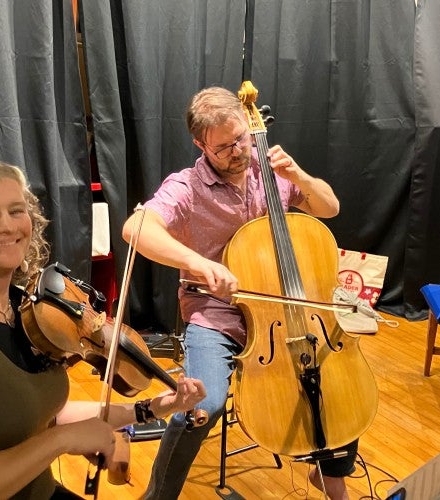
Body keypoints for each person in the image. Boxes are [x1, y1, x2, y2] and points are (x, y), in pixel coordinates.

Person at [0, 159, 206, 499]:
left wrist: (150, 408)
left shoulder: (21, 307)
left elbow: (38, 411)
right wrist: (60, 442)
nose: (7, 226)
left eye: (17, 211)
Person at [122, 86, 358, 499]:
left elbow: (330, 207)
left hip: (288, 309)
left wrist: (298, 176)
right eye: (224, 147)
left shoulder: (271, 173)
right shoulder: (187, 187)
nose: (238, 151)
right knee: (201, 407)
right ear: (200, 144)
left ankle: (331, 481)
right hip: (217, 313)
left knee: (335, 377)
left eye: (242, 139)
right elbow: (136, 228)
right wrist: (201, 264)